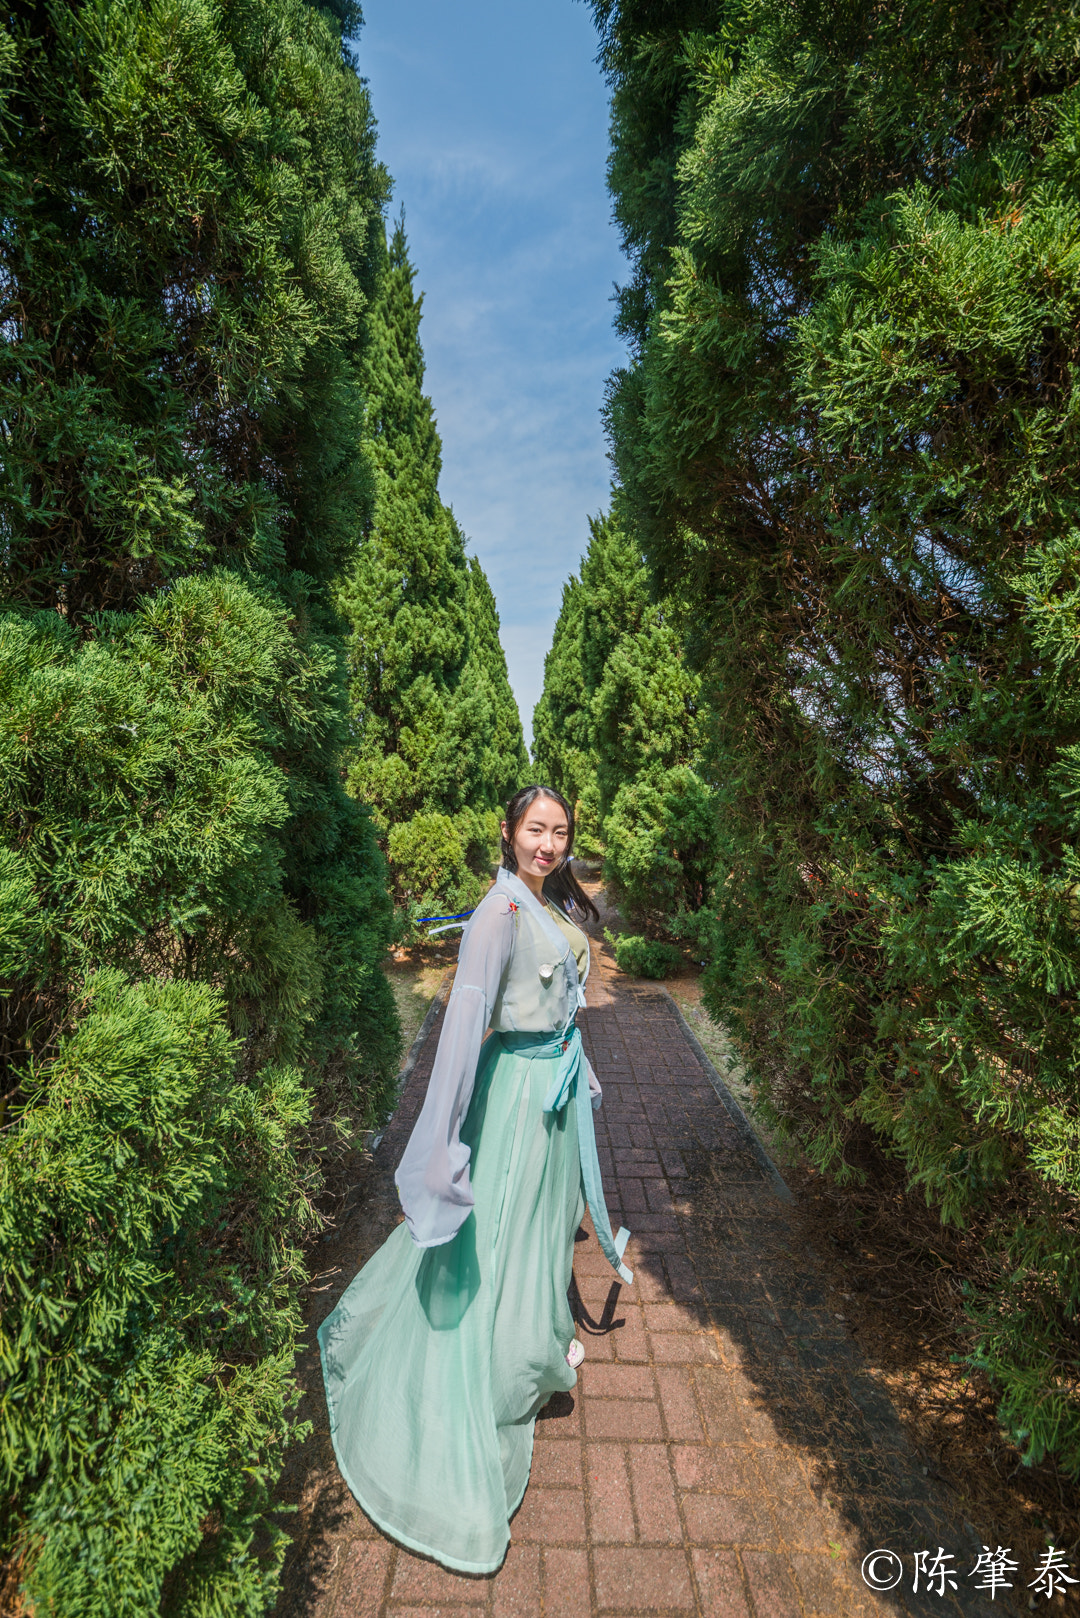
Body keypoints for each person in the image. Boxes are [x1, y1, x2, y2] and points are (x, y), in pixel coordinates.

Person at [318, 784, 633, 1574]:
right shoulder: (497, 913)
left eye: (560, 832)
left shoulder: (545, 900)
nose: (549, 844)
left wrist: (577, 1067)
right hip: (518, 1098)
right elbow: (464, 1026)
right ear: (509, 831)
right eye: (536, 829)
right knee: (497, 1230)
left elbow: (558, 1000)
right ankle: (498, 1367)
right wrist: (442, 1145)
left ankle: (533, 1343)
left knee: (536, 1229)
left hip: (553, 1091)